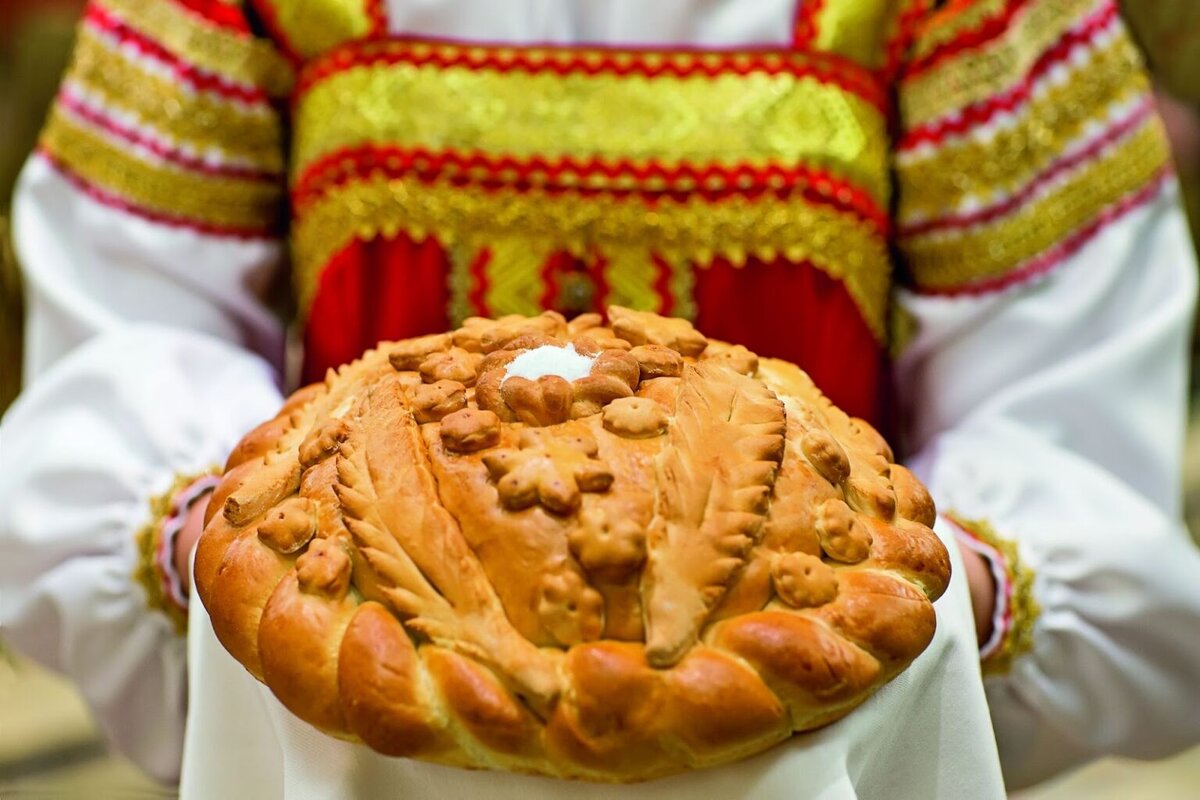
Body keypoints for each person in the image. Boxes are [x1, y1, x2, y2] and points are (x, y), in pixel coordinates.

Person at [2, 0, 1199, 796]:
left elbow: (1060, 406)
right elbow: (137, 324)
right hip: (360, 734)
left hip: (809, 734)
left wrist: (905, 597)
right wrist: (258, 551)